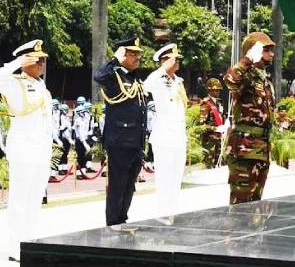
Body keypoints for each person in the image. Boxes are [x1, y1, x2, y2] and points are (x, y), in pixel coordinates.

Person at [0, 40, 53, 262]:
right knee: (19, 201)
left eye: (43, 60)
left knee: (35, 199)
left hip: (41, 151)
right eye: (38, 60)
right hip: (24, 150)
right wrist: (16, 63)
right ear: (27, 61)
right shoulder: (15, 83)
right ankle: (16, 246)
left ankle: (31, 241)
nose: (42, 63)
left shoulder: (43, 87)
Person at [95, 37, 147, 227]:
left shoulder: (134, 77)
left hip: (135, 141)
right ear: (123, 54)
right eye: (133, 54)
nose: (137, 58)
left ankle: (122, 218)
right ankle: (113, 222)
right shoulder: (113, 76)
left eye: (138, 54)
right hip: (119, 141)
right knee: (117, 185)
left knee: (129, 185)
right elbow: (98, 76)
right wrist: (114, 60)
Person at [224, 32, 276, 204]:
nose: (271, 54)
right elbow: (230, 80)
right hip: (244, 150)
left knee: (255, 205)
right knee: (241, 205)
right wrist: (247, 60)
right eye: (266, 50)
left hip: (261, 148)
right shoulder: (245, 75)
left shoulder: (265, 79)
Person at [143, 43, 188, 218]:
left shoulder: (178, 81)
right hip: (164, 137)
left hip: (178, 137)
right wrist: (162, 69)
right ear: (165, 61)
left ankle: (172, 211)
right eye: (174, 60)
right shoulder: (157, 79)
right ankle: (162, 212)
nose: (178, 63)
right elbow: (145, 87)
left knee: (176, 178)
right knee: (164, 178)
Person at [199, 78, 227, 169]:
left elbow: (223, 116)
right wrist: (215, 129)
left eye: (218, 90)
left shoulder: (219, 102)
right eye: (215, 90)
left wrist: (226, 124)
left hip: (219, 138)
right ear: (209, 90)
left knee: (220, 164)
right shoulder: (205, 103)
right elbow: (201, 125)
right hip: (209, 141)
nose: (217, 92)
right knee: (209, 165)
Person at [55, 104, 72, 175]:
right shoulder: (59, 118)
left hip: (67, 138)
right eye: (66, 109)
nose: (67, 111)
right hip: (62, 138)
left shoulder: (66, 118)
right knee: (61, 154)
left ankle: (64, 168)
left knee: (65, 154)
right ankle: (60, 169)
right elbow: (60, 128)